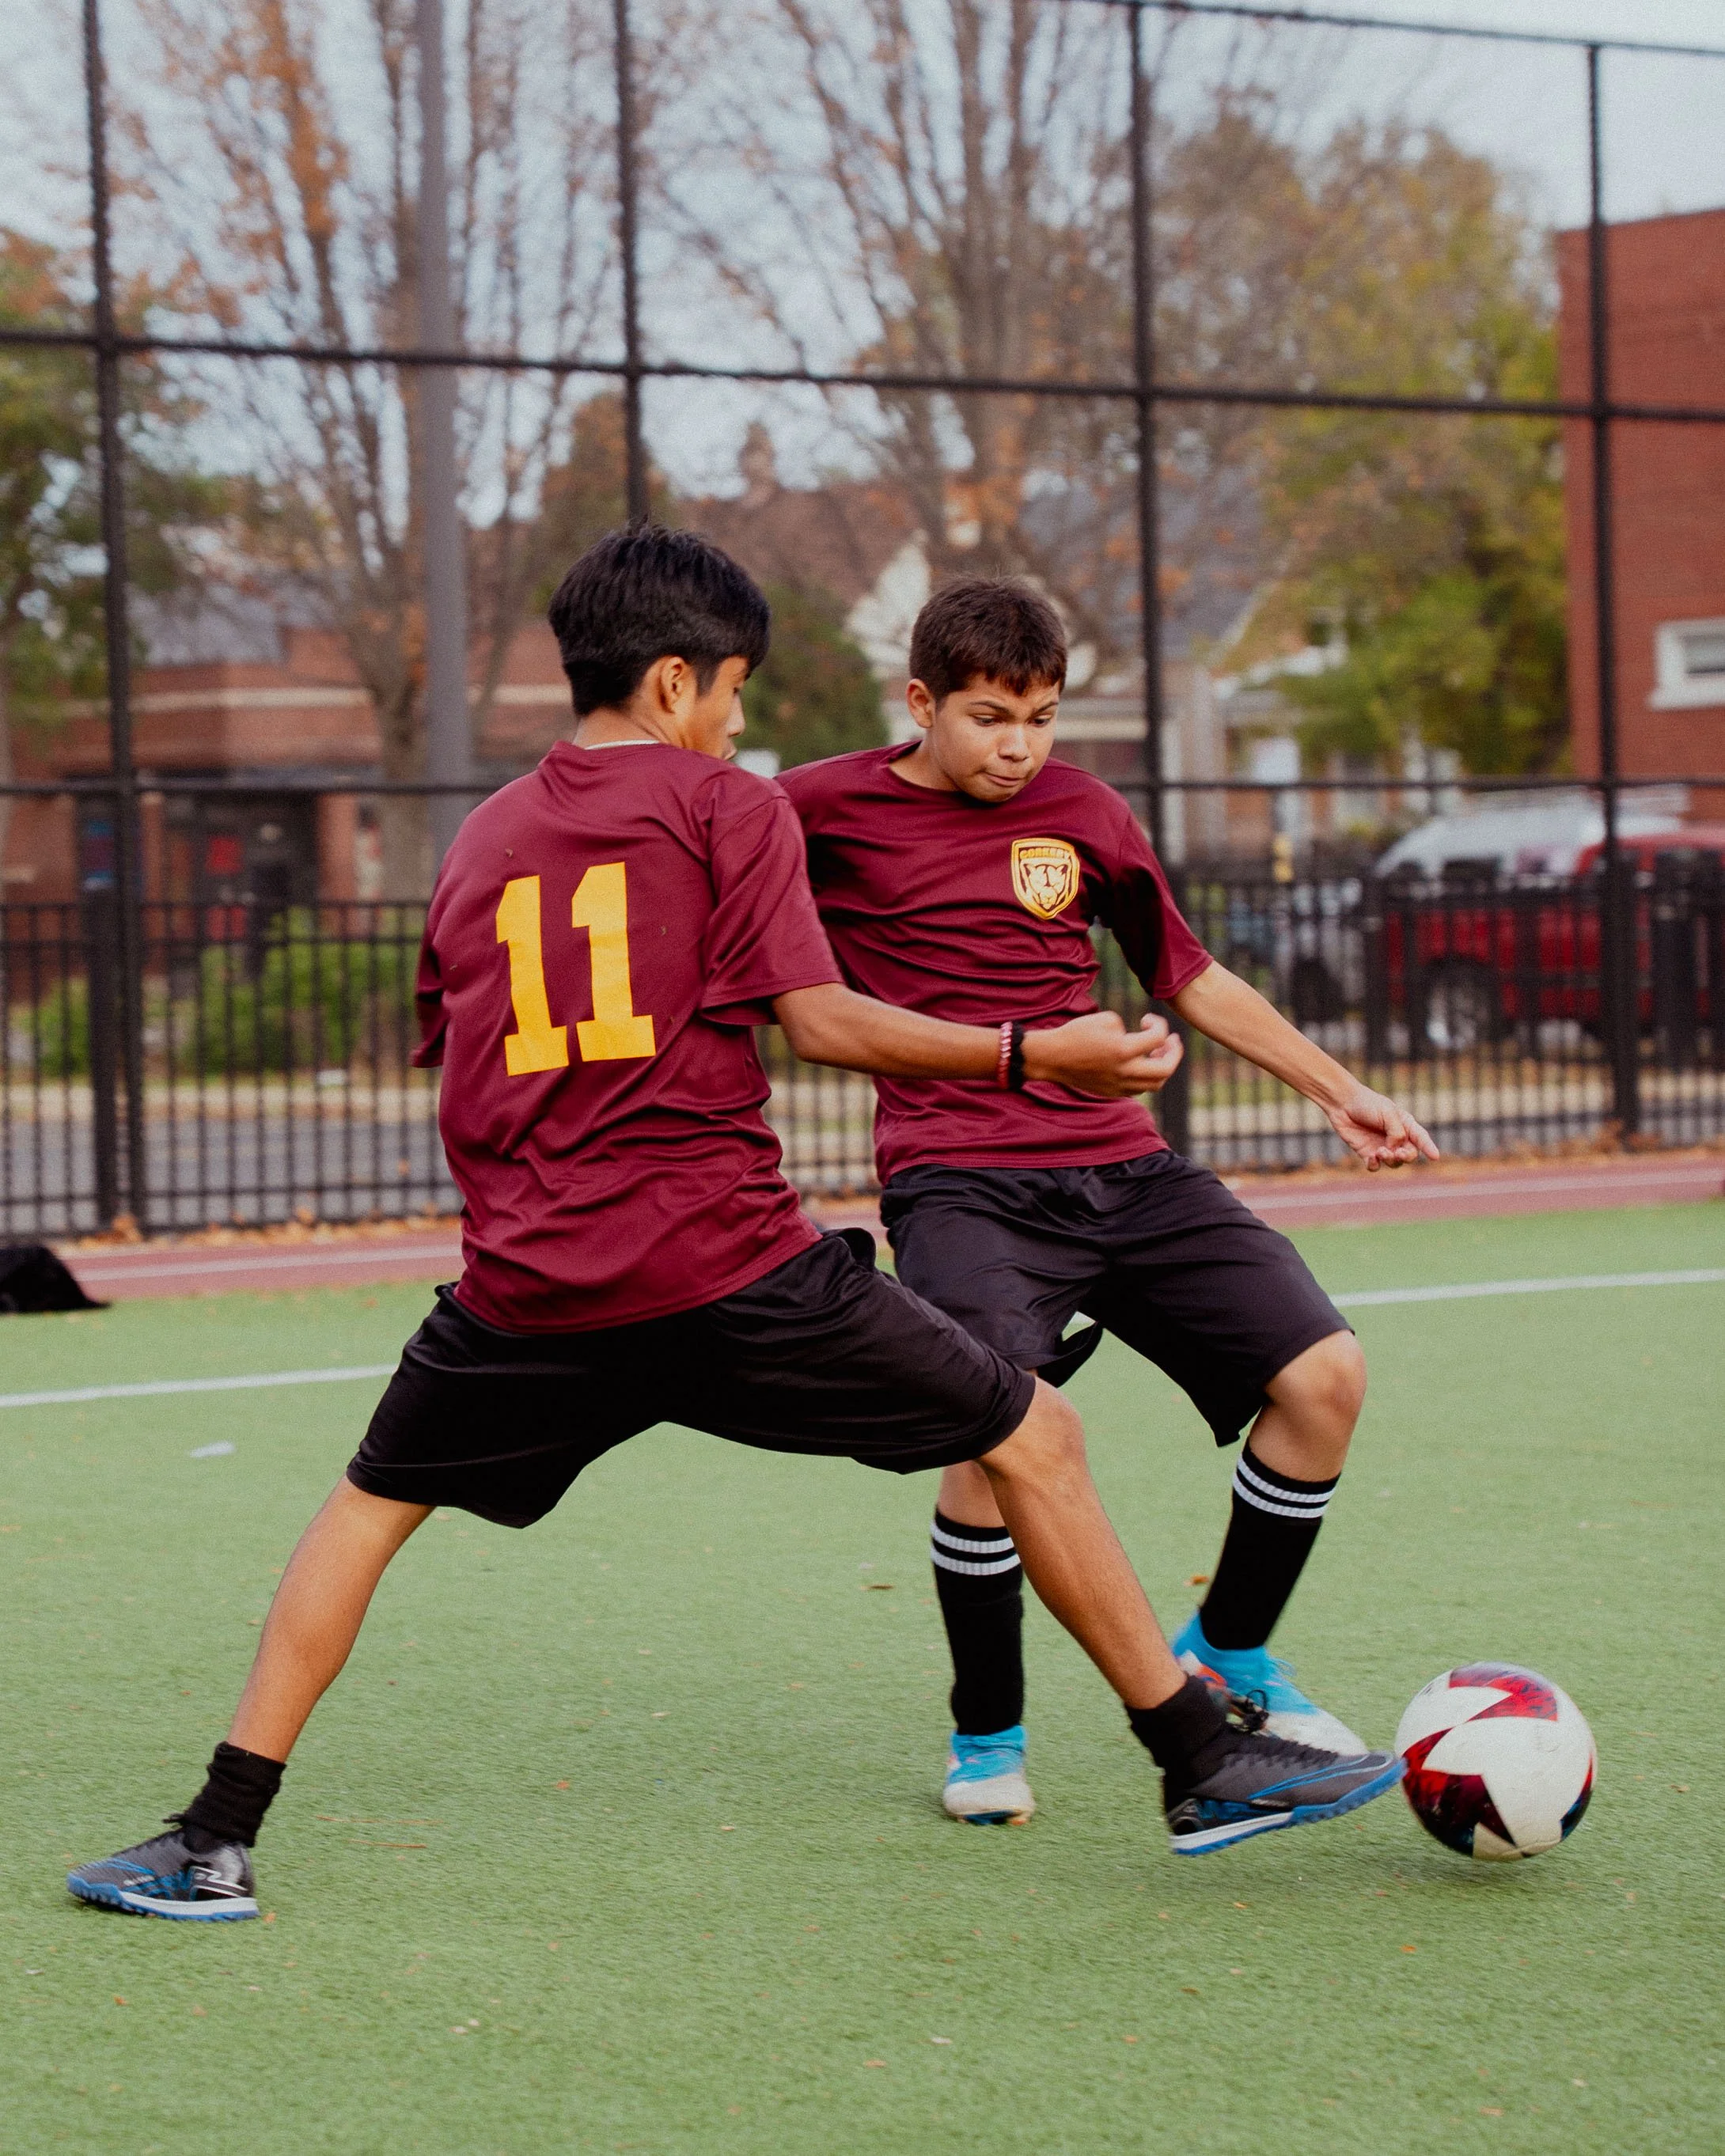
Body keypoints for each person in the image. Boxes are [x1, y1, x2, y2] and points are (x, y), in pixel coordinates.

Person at [66, 532, 1402, 1920]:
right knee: (1033, 1433)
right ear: (667, 681)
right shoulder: (727, 807)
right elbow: (818, 1023)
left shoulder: (479, 842)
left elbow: (464, 1052)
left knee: (365, 1511)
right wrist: (1028, 1053)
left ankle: (210, 1838)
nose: (742, 719)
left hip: (526, 1288)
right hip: (729, 1268)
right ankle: (1196, 1761)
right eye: (733, 689)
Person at [781, 576, 1438, 1828]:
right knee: (996, 1432)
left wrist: (1339, 1091)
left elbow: (1187, 973)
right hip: (959, 1180)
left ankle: (1230, 1655)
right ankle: (987, 1737)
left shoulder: (1084, 812)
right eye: (987, 717)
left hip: (1124, 1167)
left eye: (1040, 716)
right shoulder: (818, 806)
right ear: (919, 703)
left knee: (1326, 1379)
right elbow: (696, 866)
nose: (1018, 746)